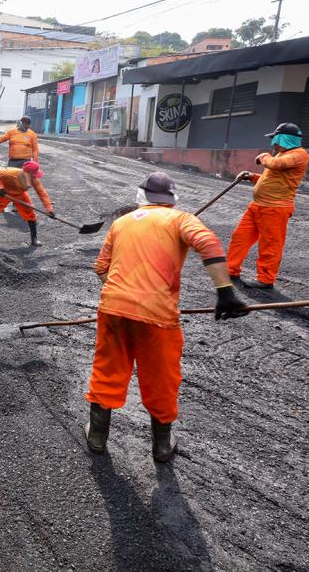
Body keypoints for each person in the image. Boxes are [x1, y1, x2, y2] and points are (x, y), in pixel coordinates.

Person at [85, 172, 249, 463]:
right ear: (172, 199)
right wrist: (225, 291)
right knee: (161, 377)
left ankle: (97, 437)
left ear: (141, 196)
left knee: (107, 368)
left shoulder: (121, 222)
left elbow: (101, 268)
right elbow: (208, 243)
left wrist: (125, 295)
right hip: (157, 315)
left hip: (113, 309)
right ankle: (161, 446)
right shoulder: (182, 219)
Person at [227, 123, 309, 290]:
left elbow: (275, 165)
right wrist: (252, 176)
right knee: (239, 238)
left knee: (270, 244)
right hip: (257, 206)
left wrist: (263, 156)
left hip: (275, 209)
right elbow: (271, 179)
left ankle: (265, 279)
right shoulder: (280, 155)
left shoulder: (299, 155)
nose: (274, 143)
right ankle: (230, 270)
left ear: (285, 139)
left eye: (275, 139)